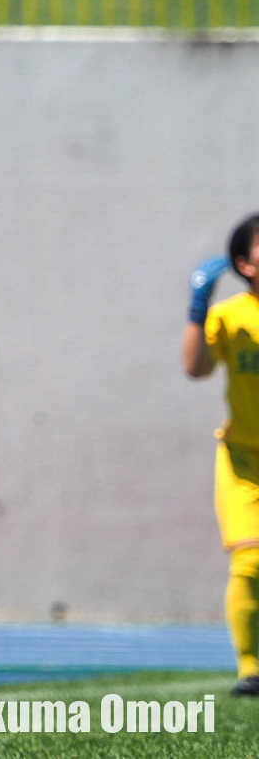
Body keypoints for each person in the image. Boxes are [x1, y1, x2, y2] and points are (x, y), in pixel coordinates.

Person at [182, 213, 259, 697]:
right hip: (244, 461)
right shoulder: (229, 316)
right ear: (244, 264)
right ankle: (251, 670)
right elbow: (196, 368)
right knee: (251, 562)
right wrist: (197, 308)